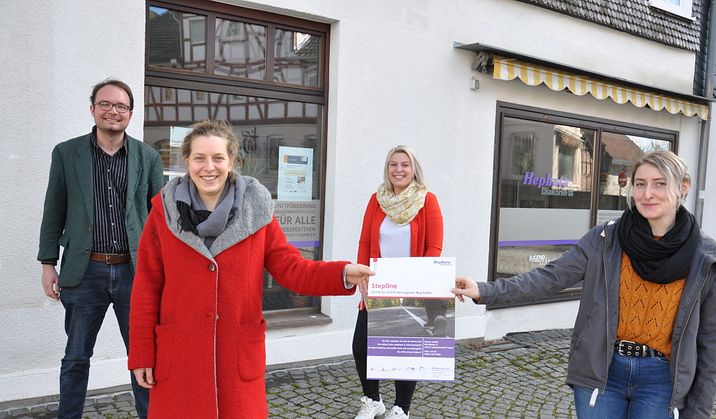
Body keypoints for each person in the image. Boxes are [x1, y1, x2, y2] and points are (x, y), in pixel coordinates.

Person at [453, 150, 716, 418]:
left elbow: (711, 343)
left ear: (683, 187)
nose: (647, 194)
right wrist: (485, 290)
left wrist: (700, 411)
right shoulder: (605, 239)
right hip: (604, 370)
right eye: (640, 184)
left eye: (660, 184)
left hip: (662, 380)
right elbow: (549, 277)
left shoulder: (707, 258)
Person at [127, 119, 374, 418]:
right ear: (187, 161)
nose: (209, 167)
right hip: (180, 360)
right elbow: (146, 288)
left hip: (237, 362)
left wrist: (344, 273)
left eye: (218, 158)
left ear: (232, 161)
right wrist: (141, 353)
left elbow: (291, 268)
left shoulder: (257, 212)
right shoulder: (162, 213)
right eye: (199, 158)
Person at [38, 78, 162, 419]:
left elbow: (158, 218)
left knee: (144, 356)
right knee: (76, 356)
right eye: (105, 104)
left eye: (121, 106)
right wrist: (49, 262)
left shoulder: (148, 156)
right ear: (92, 109)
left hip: (134, 272)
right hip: (84, 269)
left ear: (130, 114)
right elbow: (54, 209)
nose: (113, 111)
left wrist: (165, 271)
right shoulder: (67, 153)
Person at [353, 145, 444, 419]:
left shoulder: (427, 200)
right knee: (362, 345)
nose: (399, 170)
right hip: (380, 282)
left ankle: (401, 408)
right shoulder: (376, 200)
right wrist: (361, 275)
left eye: (404, 164)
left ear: (413, 169)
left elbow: (434, 247)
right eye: (393, 164)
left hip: (412, 282)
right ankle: (373, 399)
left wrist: (418, 282)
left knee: (405, 348)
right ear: (387, 168)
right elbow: (365, 241)